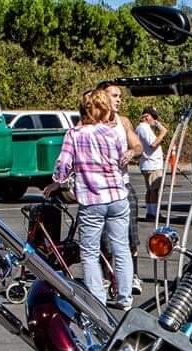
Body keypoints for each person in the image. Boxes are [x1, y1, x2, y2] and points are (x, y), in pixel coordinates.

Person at [45, 89, 134, 311]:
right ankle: (125, 297)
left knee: (90, 252)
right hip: (117, 196)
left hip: (92, 199)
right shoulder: (112, 133)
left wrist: (59, 180)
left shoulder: (74, 134)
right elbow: (121, 160)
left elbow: (64, 164)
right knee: (121, 247)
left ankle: (97, 300)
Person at [97, 81, 144, 294]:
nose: (118, 100)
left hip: (123, 187)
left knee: (130, 237)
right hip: (100, 190)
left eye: (120, 96)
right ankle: (106, 278)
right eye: (114, 95)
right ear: (101, 97)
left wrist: (132, 152)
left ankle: (133, 277)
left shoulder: (123, 122)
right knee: (104, 240)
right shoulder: (90, 123)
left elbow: (138, 145)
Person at [136, 106, 169, 221]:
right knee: (154, 189)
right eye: (152, 117)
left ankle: (150, 212)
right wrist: (163, 132)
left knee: (150, 190)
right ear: (146, 116)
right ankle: (154, 214)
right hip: (152, 164)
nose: (154, 120)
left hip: (147, 162)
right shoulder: (144, 128)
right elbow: (153, 144)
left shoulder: (141, 128)